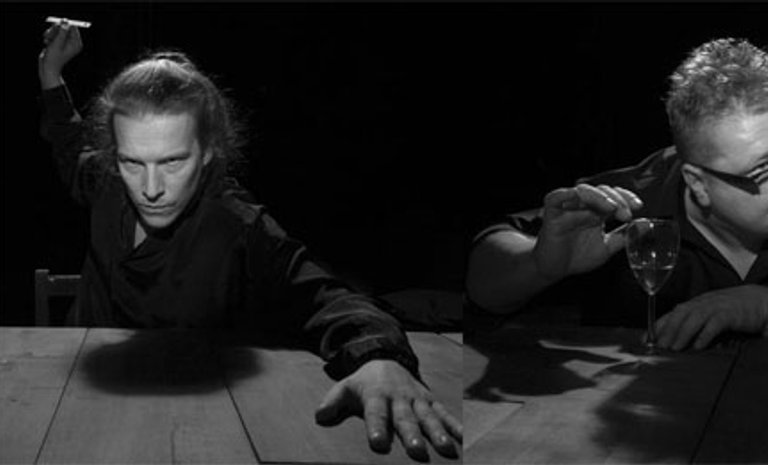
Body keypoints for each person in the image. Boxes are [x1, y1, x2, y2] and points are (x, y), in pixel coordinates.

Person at [37, 20, 460, 460]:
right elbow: (69, 143)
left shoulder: (238, 225)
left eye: (173, 162)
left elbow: (327, 298)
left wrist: (378, 358)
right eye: (132, 162)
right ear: (115, 155)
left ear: (208, 152)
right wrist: (51, 72)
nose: (150, 188)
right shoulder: (106, 181)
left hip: (191, 421)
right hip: (74, 402)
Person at [466, 37, 768, 349]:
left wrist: (766, 308)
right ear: (698, 184)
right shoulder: (628, 203)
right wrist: (539, 265)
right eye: (764, 169)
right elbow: (482, 283)